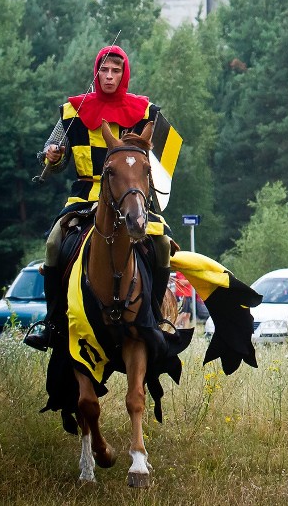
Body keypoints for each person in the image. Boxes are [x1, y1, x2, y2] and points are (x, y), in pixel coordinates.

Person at [25, 44, 172, 351]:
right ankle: (52, 322)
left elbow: (160, 161)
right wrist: (51, 155)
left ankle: (155, 317)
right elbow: (54, 158)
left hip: (131, 198)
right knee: (54, 243)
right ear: (96, 73)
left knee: (160, 244)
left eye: (115, 71)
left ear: (124, 74)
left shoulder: (145, 111)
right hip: (85, 194)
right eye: (104, 70)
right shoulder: (73, 111)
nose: (109, 76)